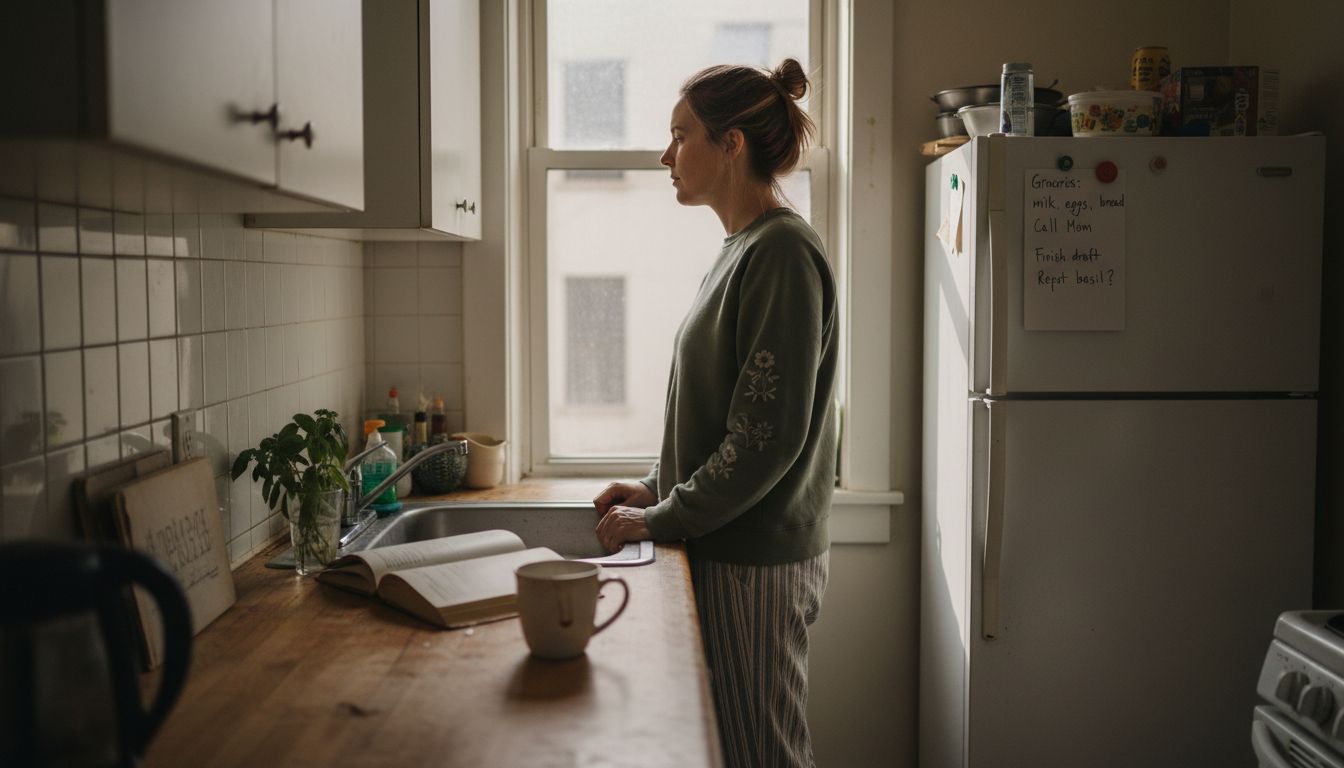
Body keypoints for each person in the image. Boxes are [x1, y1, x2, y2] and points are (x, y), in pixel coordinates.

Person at [594, 58, 838, 768]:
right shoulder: (743, 249)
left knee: (760, 753)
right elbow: (724, 409)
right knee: (732, 748)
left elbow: (764, 440)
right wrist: (655, 483)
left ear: (732, 144)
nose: (665, 155)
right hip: (731, 546)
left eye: (681, 135)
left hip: (751, 558)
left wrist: (663, 515)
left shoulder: (782, 252)